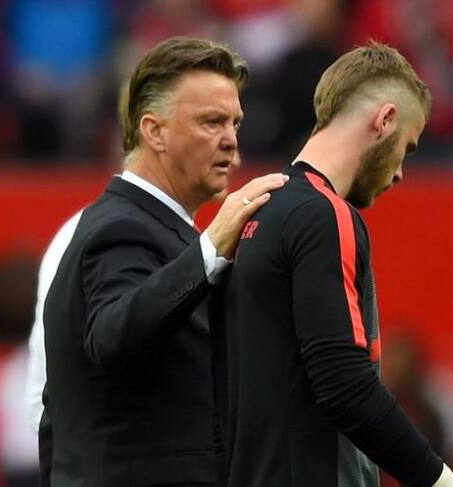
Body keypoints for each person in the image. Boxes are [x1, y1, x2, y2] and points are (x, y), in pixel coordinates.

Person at [213, 41, 453, 486]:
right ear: (385, 120)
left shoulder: (255, 211)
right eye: (406, 148)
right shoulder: (324, 214)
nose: (400, 173)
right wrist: (441, 480)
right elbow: (344, 385)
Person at [41, 36, 288, 486]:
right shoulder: (122, 228)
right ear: (154, 131)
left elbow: (55, 413)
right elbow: (113, 337)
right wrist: (211, 248)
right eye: (212, 122)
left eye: (235, 122)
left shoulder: (150, 227)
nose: (231, 140)